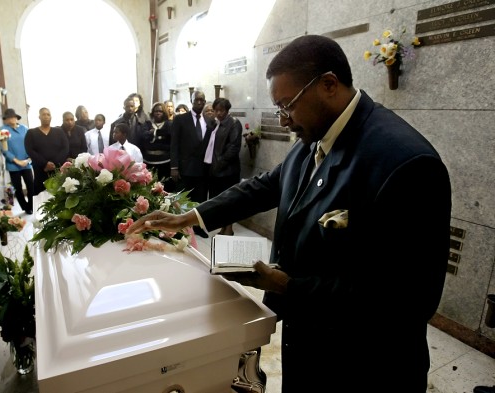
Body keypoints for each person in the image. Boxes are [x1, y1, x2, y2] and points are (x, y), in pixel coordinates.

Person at [127, 35, 452, 392]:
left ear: (328, 85)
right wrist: (189, 217)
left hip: (365, 365)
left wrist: (288, 285)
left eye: (288, 106)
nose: (283, 121)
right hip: (308, 343)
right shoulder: (314, 138)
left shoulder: (406, 163)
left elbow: (407, 299)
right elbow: (266, 186)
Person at [169, 90, 215, 238]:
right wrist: (174, 167)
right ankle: (179, 229)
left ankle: (198, 227)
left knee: (200, 200)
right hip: (184, 168)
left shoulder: (208, 121)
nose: (200, 103)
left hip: (202, 169)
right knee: (181, 200)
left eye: (202, 100)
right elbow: (174, 144)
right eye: (197, 100)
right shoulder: (180, 119)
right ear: (191, 101)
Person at [204, 97, 242, 235]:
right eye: (216, 110)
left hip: (227, 171)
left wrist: (219, 164)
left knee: (229, 200)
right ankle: (223, 227)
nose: (219, 113)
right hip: (216, 169)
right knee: (220, 200)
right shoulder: (217, 123)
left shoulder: (234, 124)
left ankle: (229, 228)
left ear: (227, 110)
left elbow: (233, 148)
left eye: (222, 110)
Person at [25, 107, 69, 195]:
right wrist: (45, 164)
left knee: (59, 194)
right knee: (41, 196)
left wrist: (55, 164)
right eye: (43, 114)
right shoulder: (31, 133)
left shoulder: (59, 131)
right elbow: (30, 150)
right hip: (40, 170)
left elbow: (65, 148)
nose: (46, 116)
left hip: (57, 170)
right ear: (39, 117)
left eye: (48, 114)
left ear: (51, 117)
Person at [0, 108, 34, 214]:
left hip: (27, 163)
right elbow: (4, 150)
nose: (11, 119)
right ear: (5, 119)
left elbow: (31, 145)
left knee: (31, 186)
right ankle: (25, 207)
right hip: (13, 165)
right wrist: (17, 161)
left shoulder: (25, 128)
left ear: (16, 118)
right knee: (18, 189)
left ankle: (31, 206)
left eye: (13, 117)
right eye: (9, 117)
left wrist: (28, 160)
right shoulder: (3, 130)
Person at [139, 102, 173, 190]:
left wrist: (154, 133)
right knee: (151, 188)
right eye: (156, 111)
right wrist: (159, 136)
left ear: (164, 113)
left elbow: (169, 137)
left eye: (160, 111)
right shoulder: (147, 124)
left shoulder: (169, 124)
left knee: (165, 188)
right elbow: (143, 137)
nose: (158, 113)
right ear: (152, 112)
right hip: (149, 162)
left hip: (165, 162)